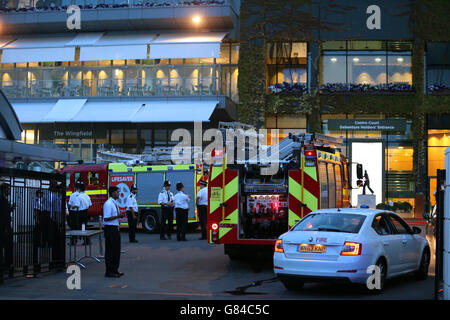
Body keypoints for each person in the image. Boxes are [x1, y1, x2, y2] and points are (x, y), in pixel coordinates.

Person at [103, 186, 124, 278]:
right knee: (111, 251)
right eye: (117, 192)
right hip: (110, 229)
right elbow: (106, 218)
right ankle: (109, 271)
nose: (118, 194)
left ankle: (115, 270)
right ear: (112, 193)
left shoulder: (114, 203)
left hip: (115, 228)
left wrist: (119, 216)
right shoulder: (108, 204)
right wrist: (118, 216)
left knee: (116, 250)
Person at [0, 183, 14, 280]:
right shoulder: (2, 199)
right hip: (4, 228)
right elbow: (3, 215)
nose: (10, 191)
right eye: (8, 189)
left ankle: (7, 266)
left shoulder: (4, 199)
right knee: (6, 247)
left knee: (7, 247)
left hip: (5, 227)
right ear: (4, 190)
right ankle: (6, 267)